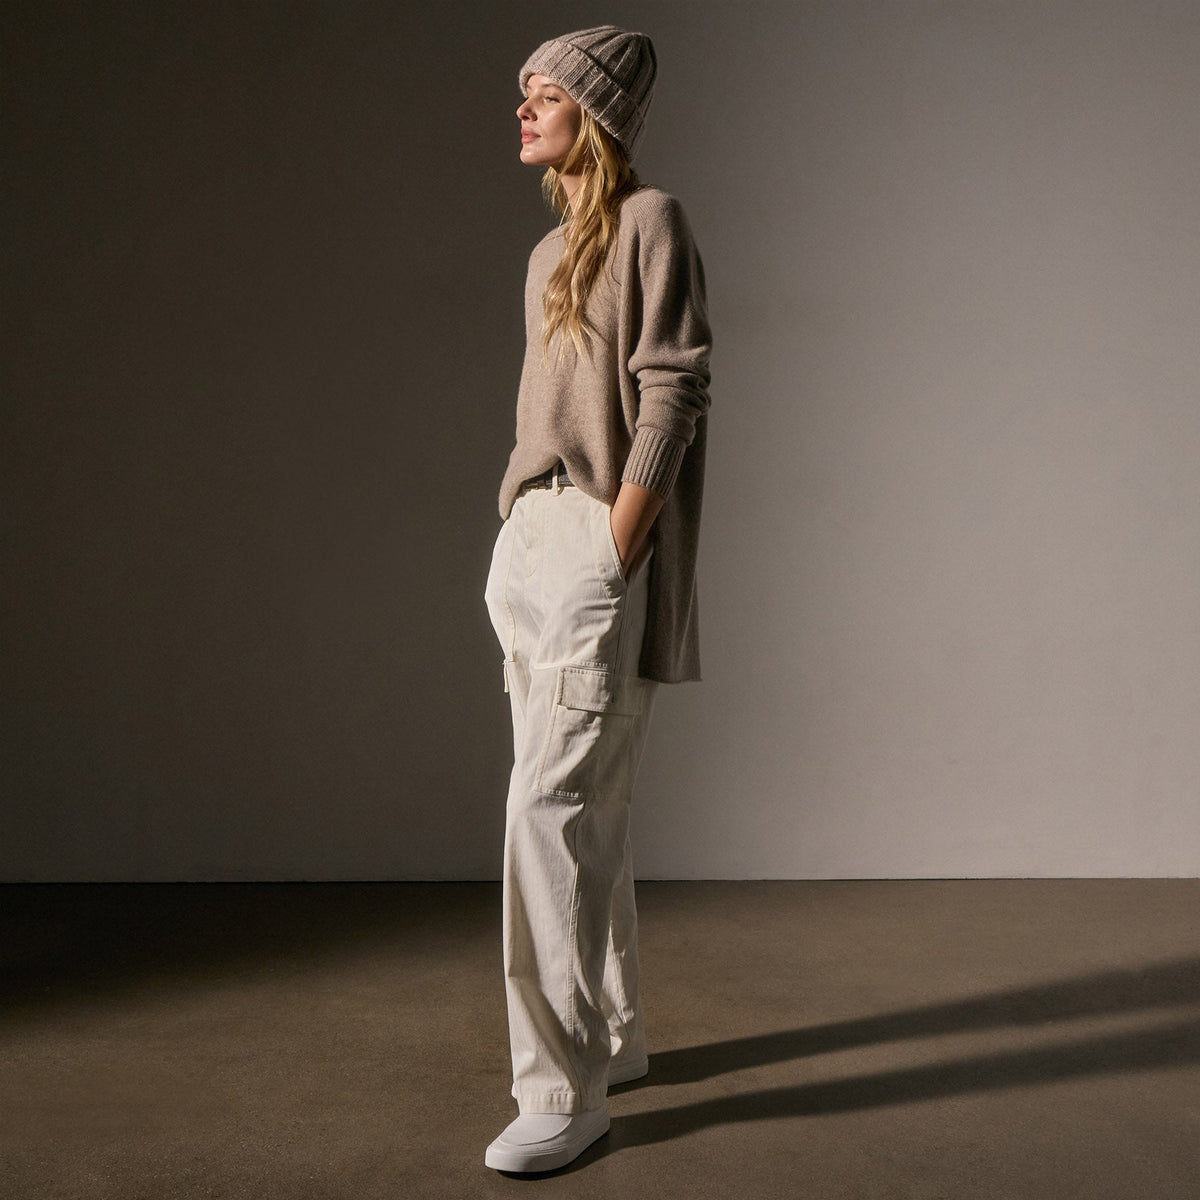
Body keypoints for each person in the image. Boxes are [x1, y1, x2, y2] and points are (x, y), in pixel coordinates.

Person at [482, 24, 713, 1174]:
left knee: (548, 810)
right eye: (524, 94)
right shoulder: (545, 258)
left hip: (594, 537)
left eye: (546, 95)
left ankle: (560, 1092)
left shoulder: (651, 222)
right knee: (590, 807)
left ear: (598, 113)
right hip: (531, 539)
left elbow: (673, 390)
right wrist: (518, 531)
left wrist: (616, 546)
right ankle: (611, 1040)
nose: (524, 111)